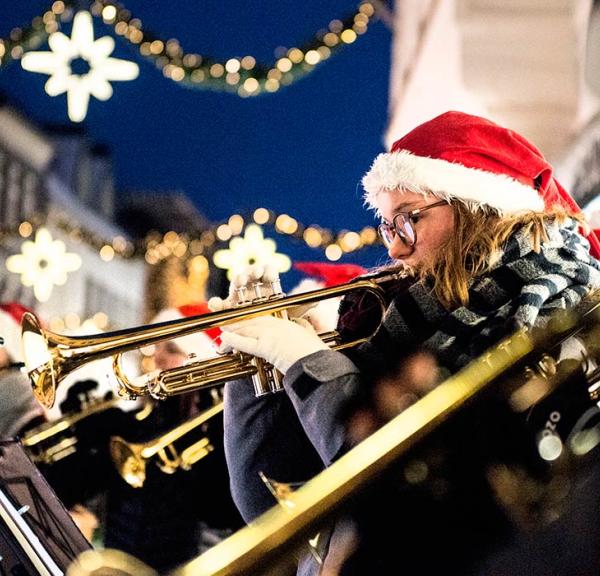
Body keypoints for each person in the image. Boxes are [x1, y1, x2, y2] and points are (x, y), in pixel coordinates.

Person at [208, 111, 600, 575]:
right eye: (389, 227)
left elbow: (421, 495)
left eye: (408, 219)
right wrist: (257, 376)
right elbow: (271, 507)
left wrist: (309, 363)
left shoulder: (556, 311)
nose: (394, 248)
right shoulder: (400, 318)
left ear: (479, 210)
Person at [103, 303, 243, 572]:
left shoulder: (219, 418)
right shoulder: (150, 416)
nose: (158, 358)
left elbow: (220, 512)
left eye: (171, 349)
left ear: (199, 359)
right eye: (157, 347)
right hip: (129, 552)